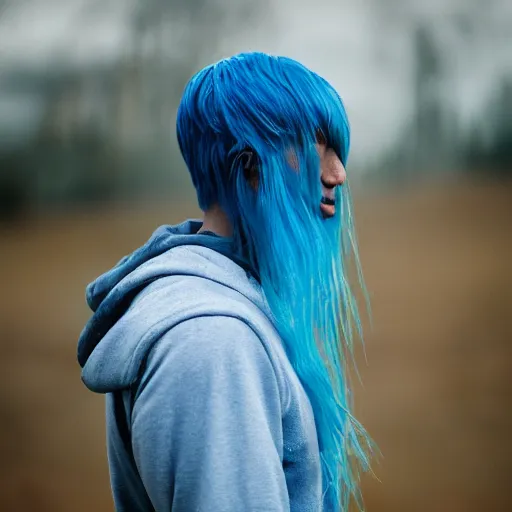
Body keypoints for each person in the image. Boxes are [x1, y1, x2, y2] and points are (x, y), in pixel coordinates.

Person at [78, 52, 373, 512]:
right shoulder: (212, 343)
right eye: (316, 144)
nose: (338, 173)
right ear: (249, 166)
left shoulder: (232, 306)